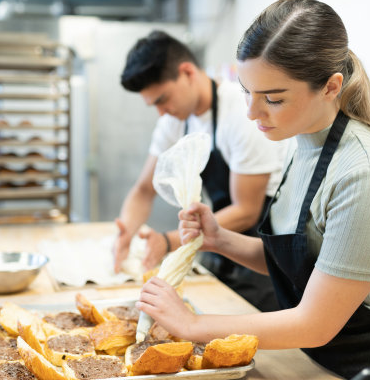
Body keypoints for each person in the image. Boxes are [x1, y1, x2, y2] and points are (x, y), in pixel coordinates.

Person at [136, 0, 370, 380]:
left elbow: (315, 322)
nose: (252, 112)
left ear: (331, 87)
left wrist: (193, 325)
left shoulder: (366, 174)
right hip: (315, 360)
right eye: (247, 91)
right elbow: (303, 266)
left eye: (274, 98)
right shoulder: (304, 144)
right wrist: (219, 239)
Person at [114, 30, 287, 312]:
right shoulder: (176, 118)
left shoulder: (240, 115)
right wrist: (126, 232)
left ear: (187, 72)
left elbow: (246, 210)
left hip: (260, 254)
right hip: (219, 247)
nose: (161, 111)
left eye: (162, 99)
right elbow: (144, 190)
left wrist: (168, 241)